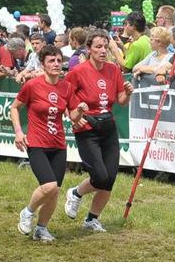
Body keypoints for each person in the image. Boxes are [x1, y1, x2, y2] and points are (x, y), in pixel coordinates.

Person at [63, 29, 134, 233]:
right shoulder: (78, 71)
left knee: (109, 179)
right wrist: (73, 116)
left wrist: (128, 93)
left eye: (105, 47)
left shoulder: (113, 70)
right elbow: (65, 97)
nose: (103, 51)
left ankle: (91, 219)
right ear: (89, 49)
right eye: (98, 47)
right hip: (87, 127)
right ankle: (76, 193)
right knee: (100, 177)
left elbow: (120, 101)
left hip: (108, 126)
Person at [12, 45, 81, 243]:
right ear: (42, 65)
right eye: (51, 61)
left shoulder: (66, 87)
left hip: (58, 145)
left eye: (59, 60)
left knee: (55, 191)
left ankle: (41, 229)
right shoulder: (33, 85)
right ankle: (27, 212)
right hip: (37, 143)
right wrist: (19, 132)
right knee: (49, 185)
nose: (56, 64)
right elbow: (14, 107)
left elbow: (73, 116)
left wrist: (81, 110)